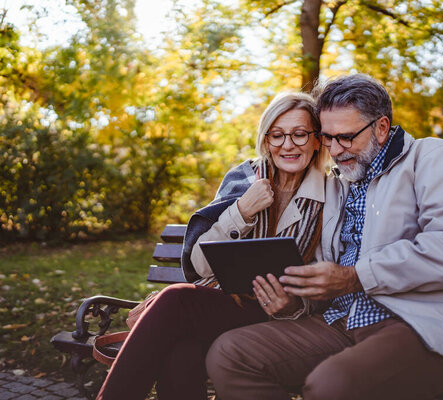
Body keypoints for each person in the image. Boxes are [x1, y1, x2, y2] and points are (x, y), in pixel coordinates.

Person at [205, 74, 443, 400]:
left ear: (381, 128)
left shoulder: (431, 158)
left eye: (345, 137)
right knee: (230, 354)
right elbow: (327, 272)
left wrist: (356, 277)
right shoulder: (339, 185)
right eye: (327, 138)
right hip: (342, 323)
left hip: (424, 327)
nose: (335, 150)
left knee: (330, 386)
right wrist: (293, 303)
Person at [96, 92, 329, 400]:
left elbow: (330, 274)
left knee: (176, 299)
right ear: (266, 139)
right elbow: (201, 264)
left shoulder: (332, 195)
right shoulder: (244, 178)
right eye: (277, 135)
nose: (288, 145)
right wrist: (242, 211)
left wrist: (294, 305)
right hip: (224, 303)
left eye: (299, 134)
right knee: (182, 352)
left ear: (316, 140)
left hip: (279, 318)